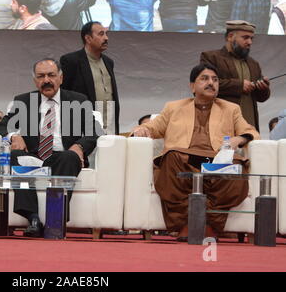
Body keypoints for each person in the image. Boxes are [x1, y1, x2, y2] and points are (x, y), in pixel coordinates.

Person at [131, 63, 259, 241]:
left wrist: (240, 139)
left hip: (216, 162)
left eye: (215, 80)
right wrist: (141, 130)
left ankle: (209, 225)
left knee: (237, 167)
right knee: (171, 157)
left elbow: (251, 131)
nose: (211, 83)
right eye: (204, 78)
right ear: (192, 86)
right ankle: (186, 224)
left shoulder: (231, 109)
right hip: (183, 160)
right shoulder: (174, 107)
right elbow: (153, 127)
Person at [0, 58, 101, 237]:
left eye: (51, 75)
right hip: (33, 156)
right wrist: (14, 136)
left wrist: (79, 146)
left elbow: (94, 131)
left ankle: (54, 219)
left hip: (62, 155)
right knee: (16, 156)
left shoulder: (78, 100)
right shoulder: (24, 101)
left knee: (69, 157)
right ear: (35, 80)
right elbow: (0, 127)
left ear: (61, 78)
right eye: (41, 76)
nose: (46, 80)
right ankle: (33, 218)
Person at [200, 20, 270, 131]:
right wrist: (239, 85)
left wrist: (263, 88)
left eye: (251, 38)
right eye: (245, 37)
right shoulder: (211, 57)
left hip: (249, 125)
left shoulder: (254, 64)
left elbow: (261, 98)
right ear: (230, 36)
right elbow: (206, 85)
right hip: (221, 125)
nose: (249, 42)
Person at [60, 21, 120, 134]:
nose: (106, 38)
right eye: (101, 34)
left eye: (106, 34)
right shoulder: (71, 61)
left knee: (111, 150)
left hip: (109, 119)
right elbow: (64, 95)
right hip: (85, 121)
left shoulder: (108, 62)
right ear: (88, 38)